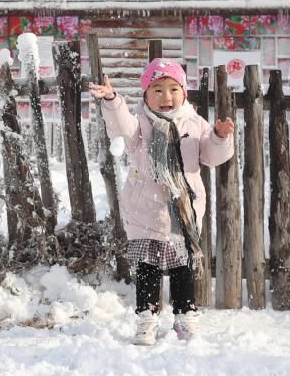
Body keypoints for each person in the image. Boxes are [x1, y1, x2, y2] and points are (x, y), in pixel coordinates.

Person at [89, 58, 235, 345]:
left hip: (183, 212)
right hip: (146, 211)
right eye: (156, 89)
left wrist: (218, 136)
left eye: (172, 89)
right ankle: (146, 320)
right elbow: (122, 128)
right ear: (145, 95)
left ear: (184, 93)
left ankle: (185, 319)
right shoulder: (141, 123)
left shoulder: (195, 123)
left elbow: (211, 156)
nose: (166, 96)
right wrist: (113, 100)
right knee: (148, 269)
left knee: (183, 270)